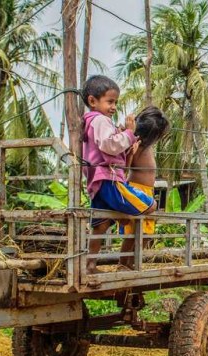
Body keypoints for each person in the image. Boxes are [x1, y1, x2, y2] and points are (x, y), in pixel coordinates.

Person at [80, 75, 156, 272]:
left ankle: (90, 264)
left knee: (101, 226)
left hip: (98, 182)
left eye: (115, 102)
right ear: (92, 101)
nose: (113, 107)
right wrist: (129, 134)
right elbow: (109, 145)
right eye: (110, 101)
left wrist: (124, 138)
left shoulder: (90, 122)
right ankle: (127, 261)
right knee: (150, 205)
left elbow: (105, 145)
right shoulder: (101, 120)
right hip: (109, 180)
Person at [117, 106, 170, 266]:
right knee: (133, 233)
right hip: (136, 190)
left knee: (146, 232)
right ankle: (123, 263)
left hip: (147, 192)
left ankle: (132, 263)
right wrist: (131, 152)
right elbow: (125, 168)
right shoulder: (136, 145)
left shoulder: (147, 146)